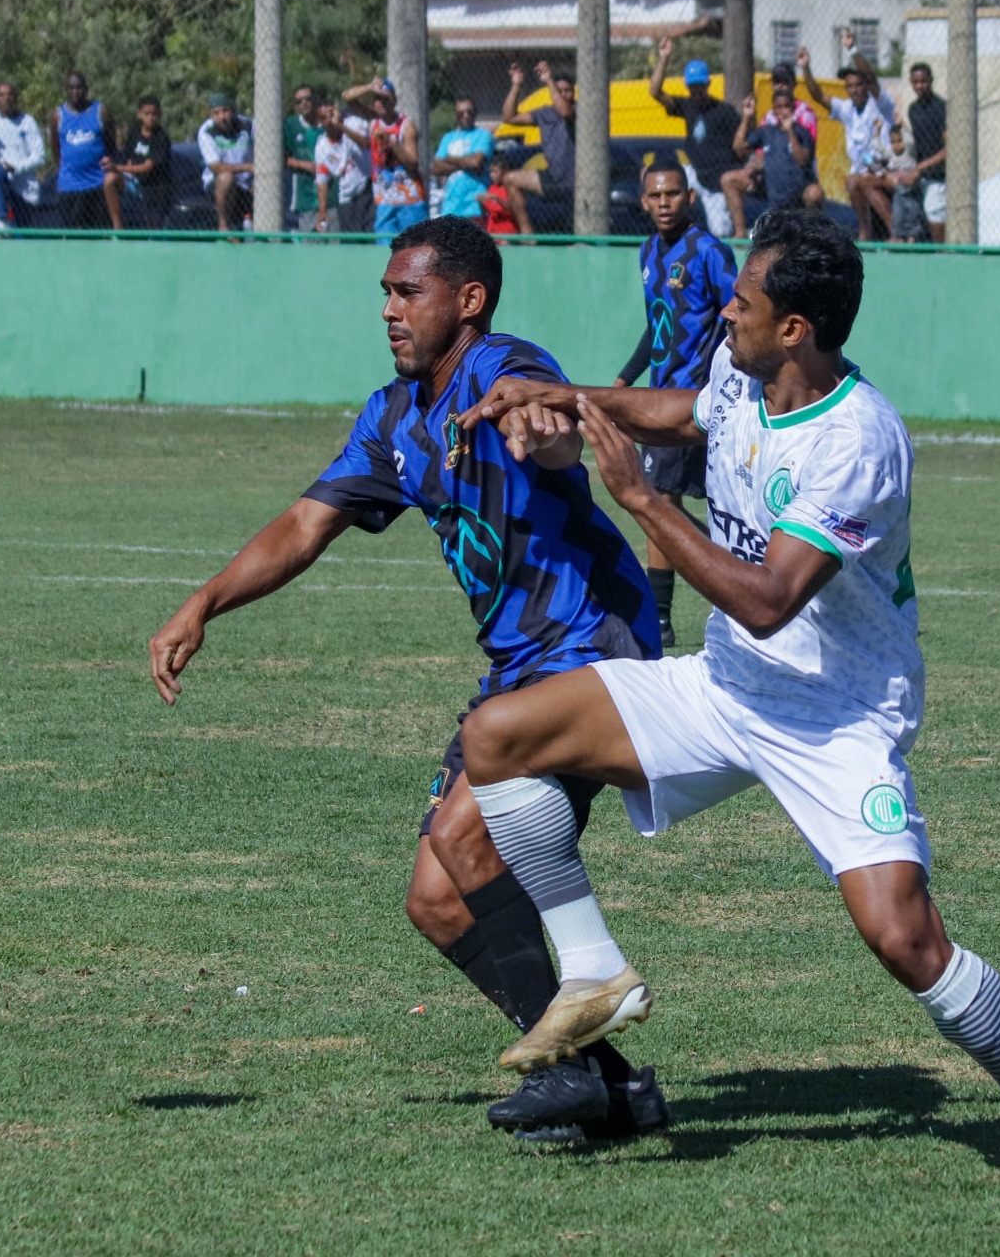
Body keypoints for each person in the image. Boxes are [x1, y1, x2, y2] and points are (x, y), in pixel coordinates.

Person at [454, 209, 1000, 1194]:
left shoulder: (857, 439)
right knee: (496, 736)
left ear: (795, 326)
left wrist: (644, 502)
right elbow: (683, 413)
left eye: (744, 300)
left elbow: (766, 600)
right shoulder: (745, 371)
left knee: (904, 938)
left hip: (834, 716)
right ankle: (592, 969)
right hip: (724, 689)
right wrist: (561, 395)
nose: (726, 307)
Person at [146, 215, 667, 1145]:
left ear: (467, 302)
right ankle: (611, 1085)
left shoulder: (499, 364)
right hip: (516, 666)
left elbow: (548, 426)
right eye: (385, 292)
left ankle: (580, 1065)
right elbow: (305, 525)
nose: (388, 309)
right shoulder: (393, 417)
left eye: (407, 291)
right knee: (434, 898)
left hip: (593, 644)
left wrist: (542, 422)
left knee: (470, 844)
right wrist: (204, 602)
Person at [613, 160, 738, 645]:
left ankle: (669, 610)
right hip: (660, 396)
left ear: (689, 197)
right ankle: (667, 613)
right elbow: (658, 324)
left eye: (672, 194)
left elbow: (737, 310)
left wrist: (721, 376)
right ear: (644, 202)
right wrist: (626, 378)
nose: (664, 203)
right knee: (659, 497)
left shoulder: (708, 251)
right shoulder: (647, 252)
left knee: (660, 497)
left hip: (697, 398)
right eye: (655, 196)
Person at [800, 31, 896, 240]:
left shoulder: (880, 104)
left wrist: (852, 49)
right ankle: (865, 231)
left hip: (885, 168)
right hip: (861, 172)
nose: (854, 90)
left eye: (858, 85)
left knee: (857, 182)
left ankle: (893, 233)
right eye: (850, 86)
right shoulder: (847, 108)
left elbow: (871, 77)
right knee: (853, 181)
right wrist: (806, 68)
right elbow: (818, 95)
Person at [649, 39, 742, 238]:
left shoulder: (724, 112)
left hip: (715, 181)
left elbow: (741, 146)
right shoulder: (687, 105)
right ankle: (667, 235)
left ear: (708, 84)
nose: (696, 92)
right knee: (660, 178)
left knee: (721, 231)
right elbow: (655, 92)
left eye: (700, 86)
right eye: (692, 88)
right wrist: (664, 58)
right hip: (694, 172)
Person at [722, 89, 819, 237]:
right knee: (729, 179)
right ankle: (740, 233)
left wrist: (790, 131)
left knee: (815, 193)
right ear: (773, 111)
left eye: (786, 106)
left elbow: (802, 160)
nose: (783, 111)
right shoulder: (766, 132)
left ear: (793, 109)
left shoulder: (802, 133)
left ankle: (812, 235)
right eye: (778, 107)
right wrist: (747, 117)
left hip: (799, 190)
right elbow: (738, 147)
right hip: (770, 189)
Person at [342, 77, 426, 238]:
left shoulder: (406, 126)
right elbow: (347, 96)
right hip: (385, 200)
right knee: (384, 248)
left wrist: (392, 142)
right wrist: (369, 87)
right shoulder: (374, 120)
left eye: (385, 99)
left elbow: (412, 163)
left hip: (409, 200)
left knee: (412, 248)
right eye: (377, 99)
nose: (381, 103)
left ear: (393, 100)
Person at [499, 62, 576, 232]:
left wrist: (549, 81)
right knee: (510, 179)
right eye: (559, 90)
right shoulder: (545, 113)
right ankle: (528, 236)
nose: (563, 94)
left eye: (567, 91)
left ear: (574, 92)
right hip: (553, 178)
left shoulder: (577, 110)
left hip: (577, 183)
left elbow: (564, 112)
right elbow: (509, 117)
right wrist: (516, 85)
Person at [48, 71, 122, 232]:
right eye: (71, 88)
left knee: (98, 233)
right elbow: (55, 147)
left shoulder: (100, 111)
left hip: (96, 183)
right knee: (73, 235)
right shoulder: (58, 116)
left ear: (86, 89)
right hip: (70, 185)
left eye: (79, 87)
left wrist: (108, 160)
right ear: (66, 90)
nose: (75, 92)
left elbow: (111, 141)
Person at [0, 81, 45, 231]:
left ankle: (12, 226)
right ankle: (4, 220)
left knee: (25, 235)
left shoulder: (27, 121)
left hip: (24, 187)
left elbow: (39, 156)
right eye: (1, 95)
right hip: (1, 183)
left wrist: (16, 167)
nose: (6, 98)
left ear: (15, 99)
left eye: (9, 95)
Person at [901, 61, 948, 244]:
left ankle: (940, 251)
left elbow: (948, 149)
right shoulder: (913, 109)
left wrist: (920, 168)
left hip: (938, 176)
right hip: (919, 175)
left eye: (923, 81)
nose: (919, 86)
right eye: (915, 82)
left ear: (931, 81)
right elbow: (918, 139)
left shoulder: (941, 107)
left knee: (933, 211)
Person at [197, 93, 255, 233]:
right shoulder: (206, 132)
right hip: (218, 182)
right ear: (210, 114)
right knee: (226, 177)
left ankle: (266, 231)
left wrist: (256, 177)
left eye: (225, 111)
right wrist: (248, 167)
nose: (222, 117)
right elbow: (216, 168)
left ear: (233, 110)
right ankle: (224, 226)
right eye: (216, 113)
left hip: (248, 179)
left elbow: (263, 152)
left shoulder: (248, 125)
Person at [312, 101, 372, 236]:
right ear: (320, 122)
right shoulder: (322, 146)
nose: (330, 119)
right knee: (351, 239)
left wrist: (340, 125)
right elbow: (322, 181)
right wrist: (322, 211)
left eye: (331, 113)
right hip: (346, 195)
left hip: (367, 188)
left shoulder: (354, 124)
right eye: (324, 117)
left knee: (369, 236)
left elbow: (365, 143)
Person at [113, 95, 173, 230]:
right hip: (135, 183)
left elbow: (147, 167)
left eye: (154, 114)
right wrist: (126, 170)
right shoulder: (134, 132)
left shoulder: (161, 137)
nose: (151, 118)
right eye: (147, 114)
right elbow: (129, 157)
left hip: (155, 188)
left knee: (154, 223)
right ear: (139, 114)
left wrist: (118, 168)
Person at [432, 98, 494, 222]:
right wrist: (465, 162)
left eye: (469, 112)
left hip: (476, 205)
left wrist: (449, 159)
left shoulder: (483, 134)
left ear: (475, 113)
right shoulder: (448, 138)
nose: (466, 116)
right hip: (451, 206)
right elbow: (436, 168)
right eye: (461, 113)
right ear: (456, 116)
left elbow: (476, 162)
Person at [284, 84, 322, 233]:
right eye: (299, 101)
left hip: (330, 191)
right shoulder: (291, 125)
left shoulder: (325, 124)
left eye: (308, 99)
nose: (304, 103)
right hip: (304, 190)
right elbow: (283, 158)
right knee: (308, 235)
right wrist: (306, 165)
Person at [883, 126, 927, 243]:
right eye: (893, 142)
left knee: (912, 214)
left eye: (899, 141)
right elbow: (879, 148)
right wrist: (877, 133)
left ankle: (912, 237)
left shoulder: (909, 153)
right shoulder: (892, 156)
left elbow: (910, 141)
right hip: (899, 191)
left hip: (911, 191)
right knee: (897, 214)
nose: (897, 145)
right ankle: (898, 236)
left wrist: (903, 125)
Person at [479, 152, 525, 237]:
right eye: (490, 172)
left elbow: (513, 210)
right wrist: (481, 202)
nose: (492, 175)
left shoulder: (511, 189)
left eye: (495, 172)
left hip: (508, 232)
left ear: (504, 171)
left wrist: (497, 198)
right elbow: (486, 211)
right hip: (493, 232)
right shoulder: (492, 188)